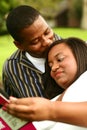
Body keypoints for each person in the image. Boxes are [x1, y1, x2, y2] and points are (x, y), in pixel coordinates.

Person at [5, 37, 87, 129]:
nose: (53, 68)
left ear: (81, 55)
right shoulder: (52, 101)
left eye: (60, 59)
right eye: (50, 65)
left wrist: (50, 110)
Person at [2, 5, 63, 99]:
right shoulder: (12, 68)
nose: (47, 42)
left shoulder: (78, 49)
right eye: (35, 41)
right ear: (19, 45)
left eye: (47, 32)